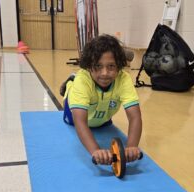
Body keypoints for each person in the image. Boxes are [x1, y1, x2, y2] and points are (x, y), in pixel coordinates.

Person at [61, 34, 142, 166]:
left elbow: (135, 116)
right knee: (74, 114)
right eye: (98, 66)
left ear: (119, 67)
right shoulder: (84, 79)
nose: (104, 73)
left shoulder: (123, 78)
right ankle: (70, 83)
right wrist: (96, 151)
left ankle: (75, 83)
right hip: (73, 114)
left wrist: (131, 147)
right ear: (89, 66)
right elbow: (80, 122)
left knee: (103, 122)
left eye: (111, 66)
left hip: (102, 116)